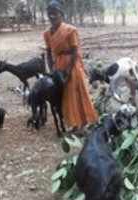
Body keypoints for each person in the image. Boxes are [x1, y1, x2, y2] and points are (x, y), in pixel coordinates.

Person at [44, 1, 98, 133]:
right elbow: (48, 52)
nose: (52, 17)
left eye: (55, 13)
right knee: (65, 97)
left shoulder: (70, 30)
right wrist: (51, 69)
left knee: (76, 94)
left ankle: (82, 124)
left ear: (61, 14)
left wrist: (68, 70)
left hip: (72, 65)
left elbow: (75, 50)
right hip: (58, 67)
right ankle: (74, 123)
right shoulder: (47, 34)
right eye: (50, 14)